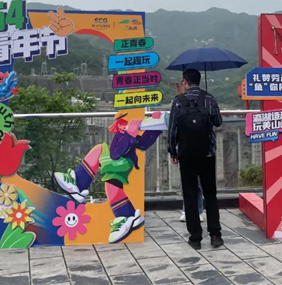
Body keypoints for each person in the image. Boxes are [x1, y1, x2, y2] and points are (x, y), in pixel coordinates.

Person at [53, 112, 162, 243]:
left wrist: (155, 126)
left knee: (99, 149)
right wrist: (132, 134)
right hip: (119, 163)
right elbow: (117, 152)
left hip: (123, 162)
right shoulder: (121, 135)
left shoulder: (126, 134)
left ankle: (78, 183)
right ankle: (126, 216)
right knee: (112, 186)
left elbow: (125, 151)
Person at [168, 69, 223, 250]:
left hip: (186, 155)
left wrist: (173, 151)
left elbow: (172, 129)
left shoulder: (178, 101)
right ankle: (215, 235)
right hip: (207, 153)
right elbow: (218, 122)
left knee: (190, 195)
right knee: (210, 194)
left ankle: (195, 238)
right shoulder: (210, 99)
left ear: (184, 82)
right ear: (199, 81)